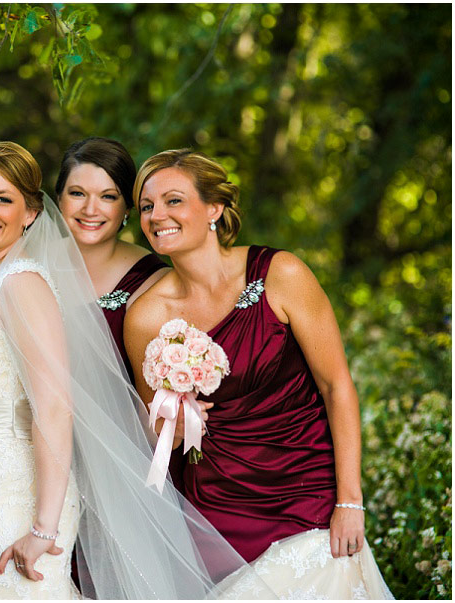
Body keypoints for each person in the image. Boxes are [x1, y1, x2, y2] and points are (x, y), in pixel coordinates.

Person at [0, 142, 270, 599]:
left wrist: (44, 526)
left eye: (3, 199)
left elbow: (54, 407)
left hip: (11, 488)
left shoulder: (22, 283)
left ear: (31, 213)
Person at [124, 149, 393, 599]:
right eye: (147, 206)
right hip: (216, 506)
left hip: (308, 489)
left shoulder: (280, 274)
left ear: (214, 208)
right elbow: (151, 437)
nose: (156, 216)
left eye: (173, 200)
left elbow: (336, 385)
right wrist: (178, 423)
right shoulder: (147, 317)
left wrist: (350, 499)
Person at [55, 137, 168, 374]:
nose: (90, 209)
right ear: (59, 199)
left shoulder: (152, 279)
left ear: (127, 208)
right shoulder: (27, 262)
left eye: (107, 196)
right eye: (77, 193)